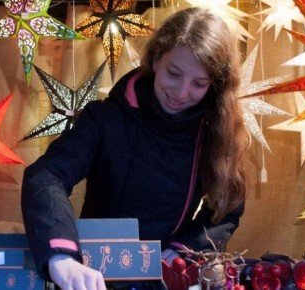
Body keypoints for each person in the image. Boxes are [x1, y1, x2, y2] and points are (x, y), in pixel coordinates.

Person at [21, 7, 248, 290]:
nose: (181, 92)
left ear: (214, 85)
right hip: (93, 274)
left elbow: (228, 207)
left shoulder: (215, 132)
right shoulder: (105, 118)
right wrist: (61, 257)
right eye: (174, 73)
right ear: (155, 60)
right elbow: (46, 175)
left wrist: (184, 250)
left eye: (199, 83)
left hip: (163, 277)